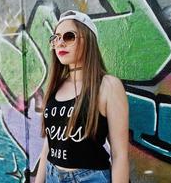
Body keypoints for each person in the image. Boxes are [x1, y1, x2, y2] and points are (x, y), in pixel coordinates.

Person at [35, 10, 129, 183]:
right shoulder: (56, 86)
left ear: (89, 40)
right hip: (52, 175)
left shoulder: (108, 86)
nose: (60, 43)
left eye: (69, 36)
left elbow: (120, 154)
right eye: (56, 38)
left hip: (90, 178)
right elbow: (49, 144)